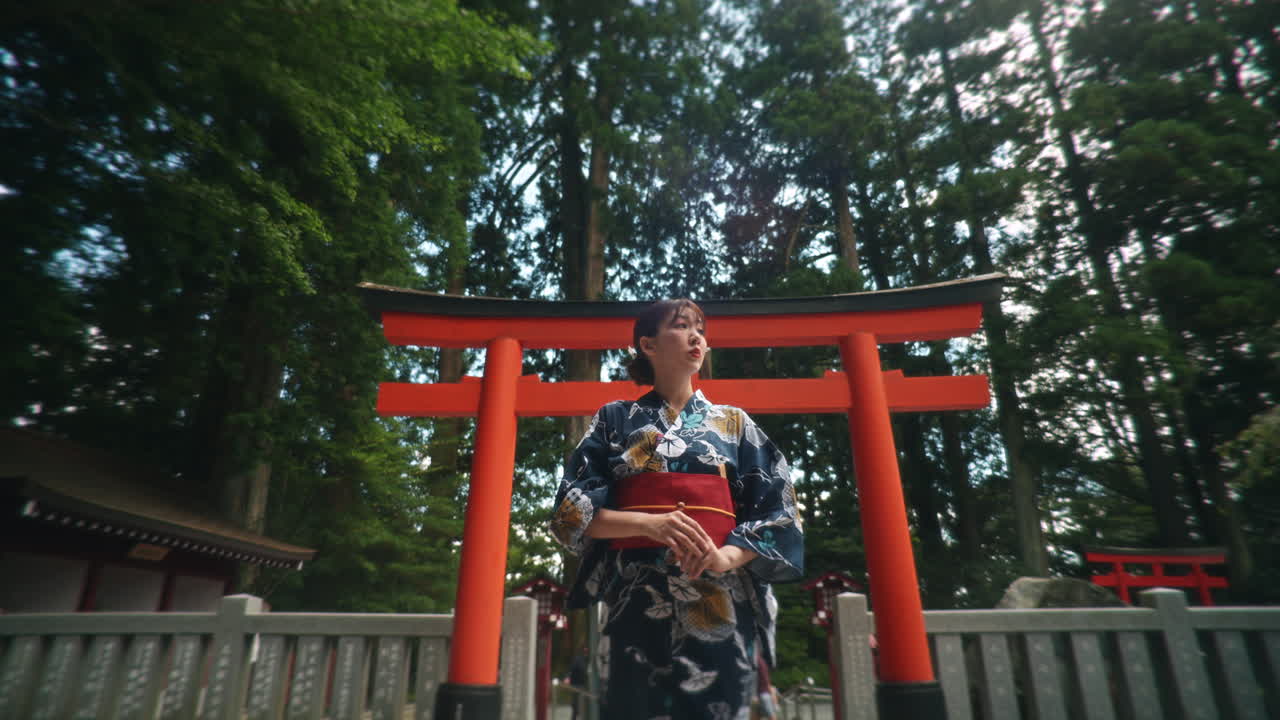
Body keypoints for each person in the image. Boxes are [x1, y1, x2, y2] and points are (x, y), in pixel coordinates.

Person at [550, 299, 804, 720]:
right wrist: (651, 524)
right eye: (682, 325)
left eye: (700, 329)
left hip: (719, 594)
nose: (696, 336)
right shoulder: (614, 419)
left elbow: (778, 511)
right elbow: (569, 514)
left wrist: (726, 556)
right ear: (647, 345)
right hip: (635, 596)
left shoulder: (735, 423)